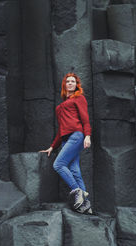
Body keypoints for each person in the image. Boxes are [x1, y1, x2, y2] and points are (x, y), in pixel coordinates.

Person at [40, 72, 92, 214]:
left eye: (73, 81)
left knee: (58, 164)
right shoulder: (61, 106)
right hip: (65, 140)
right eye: (68, 81)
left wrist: (87, 136)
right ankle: (86, 205)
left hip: (76, 136)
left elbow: (85, 119)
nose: (70, 83)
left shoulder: (79, 98)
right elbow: (60, 130)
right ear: (64, 85)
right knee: (75, 171)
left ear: (76, 85)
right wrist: (52, 146)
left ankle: (77, 192)